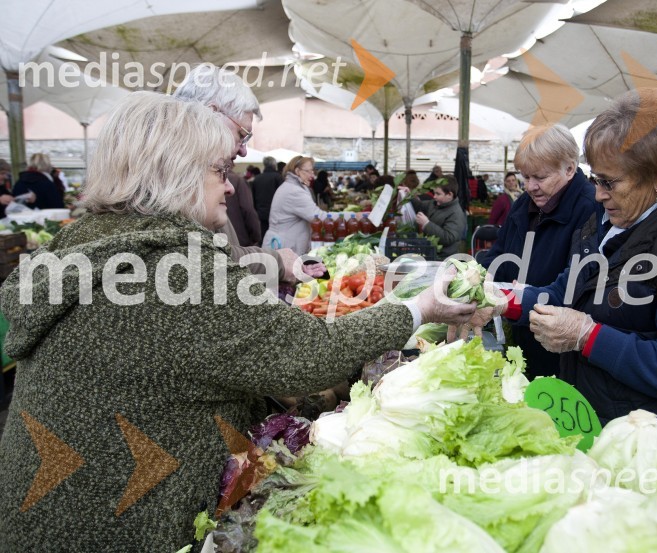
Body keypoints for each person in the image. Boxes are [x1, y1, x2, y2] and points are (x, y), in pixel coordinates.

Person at [0, 92, 476, 552]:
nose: (230, 185)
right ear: (175, 174)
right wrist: (419, 309)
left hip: (52, 512)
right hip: (114, 526)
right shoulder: (176, 264)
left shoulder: (89, 241)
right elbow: (310, 355)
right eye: (219, 170)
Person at [477, 89, 657, 470]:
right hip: (612, 435)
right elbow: (563, 292)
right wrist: (496, 298)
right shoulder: (611, 223)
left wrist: (587, 336)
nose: (597, 193)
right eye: (596, 178)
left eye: (610, 182)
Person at [478, 124, 598, 379]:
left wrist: (518, 296)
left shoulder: (589, 209)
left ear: (569, 169)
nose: (530, 186)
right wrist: (480, 278)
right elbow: (500, 253)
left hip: (560, 353)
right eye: (525, 177)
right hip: (521, 335)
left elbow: (576, 285)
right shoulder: (524, 204)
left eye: (540, 178)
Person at [173, 64, 310, 279]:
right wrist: (276, 261)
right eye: (242, 134)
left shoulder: (190, 174)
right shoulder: (175, 181)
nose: (244, 150)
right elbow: (207, 263)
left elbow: (219, 254)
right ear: (211, 115)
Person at [263, 156, 327, 254]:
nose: (312, 175)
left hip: (285, 244)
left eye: (312, 171)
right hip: (283, 246)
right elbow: (317, 216)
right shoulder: (294, 191)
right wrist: (352, 217)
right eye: (309, 171)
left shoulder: (295, 186)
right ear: (297, 171)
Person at [398, 175, 466, 259]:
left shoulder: (456, 214)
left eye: (438, 194)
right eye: (434, 193)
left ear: (449, 194)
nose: (434, 196)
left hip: (444, 258)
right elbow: (420, 206)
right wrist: (409, 195)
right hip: (431, 253)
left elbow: (449, 238)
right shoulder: (434, 204)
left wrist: (427, 224)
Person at [251, 156, 284, 237]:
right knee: (276, 236)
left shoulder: (257, 178)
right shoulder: (278, 177)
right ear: (274, 165)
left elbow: (253, 197)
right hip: (277, 212)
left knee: (264, 234)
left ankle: (264, 249)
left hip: (261, 212)